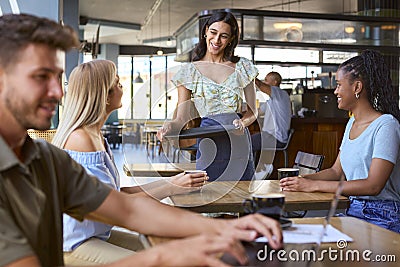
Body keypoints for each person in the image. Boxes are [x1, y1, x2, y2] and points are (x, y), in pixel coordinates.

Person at [0, 13, 283, 267]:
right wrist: (164, 257)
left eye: (58, 78)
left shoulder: (44, 157)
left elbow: (125, 207)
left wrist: (223, 230)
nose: (58, 93)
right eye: (40, 77)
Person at [52, 59, 208, 264]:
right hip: (72, 245)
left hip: (94, 236)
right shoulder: (81, 139)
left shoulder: (96, 137)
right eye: (117, 83)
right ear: (104, 96)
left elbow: (117, 195)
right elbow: (118, 207)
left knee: (168, 247)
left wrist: (176, 182)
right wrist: (171, 187)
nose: (122, 87)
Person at [280, 50, 400, 233]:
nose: (335, 91)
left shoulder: (386, 125)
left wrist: (314, 185)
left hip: (383, 216)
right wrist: (300, 180)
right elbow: (336, 171)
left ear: (357, 87)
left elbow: (373, 185)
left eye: (338, 85)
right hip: (351, 209)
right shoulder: (352, 122)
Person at [158, 11, 258, 181]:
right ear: (205, 31)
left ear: (231, 39)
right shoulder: (188, 71)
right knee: (208, 193)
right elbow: (182, 117)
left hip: (238, 139)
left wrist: (243, 122)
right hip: (208, 140)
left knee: (242, 196)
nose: (217, 40)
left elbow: (253, 111)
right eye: (213, 32)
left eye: (224, 36)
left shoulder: (243, 67)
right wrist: (168, 127)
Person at [251, 72, 292, 176]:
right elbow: (258, 112)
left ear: (275, 82)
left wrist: (248, 75)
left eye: (266, 80)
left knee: (246, 142)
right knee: (246, 141)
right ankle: (259, 170)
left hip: (276, 137)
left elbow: (259, 85)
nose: (264, 82)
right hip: (269, 135)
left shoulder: (280, 93)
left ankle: (256, 172)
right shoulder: (271, 99)